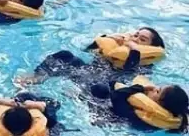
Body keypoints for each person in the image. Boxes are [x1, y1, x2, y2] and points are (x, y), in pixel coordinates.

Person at [21, 28, 166, 87]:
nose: (135, 39)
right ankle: (36, 77)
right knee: (65, 55)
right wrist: (106, 39)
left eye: (142, 39)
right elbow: (87, 51)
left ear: (151, 47)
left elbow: (128, 67)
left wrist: (134, 49)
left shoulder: (145, 64)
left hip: (100, 84)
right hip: (86, 71)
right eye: (136, 35)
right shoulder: (116, 48)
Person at [90, 77, 188, 133]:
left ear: (160, 104)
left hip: (101, 116)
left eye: (158, 91)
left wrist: (140, 88)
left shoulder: (138, 115)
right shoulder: (159, 122)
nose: (154, 88)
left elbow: (116, 96)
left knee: (100, 89)